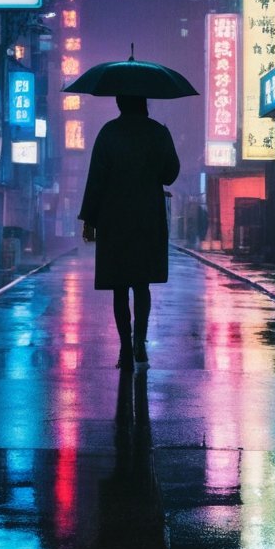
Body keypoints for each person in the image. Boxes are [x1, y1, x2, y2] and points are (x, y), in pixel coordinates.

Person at [79, 93, 180, 366]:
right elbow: (170, 174)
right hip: (148, 216)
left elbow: (96, 179)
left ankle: (124, 347)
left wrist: (89, 218)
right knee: (142, 283)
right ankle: (140, 342)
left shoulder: (108, 133)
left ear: (119, 103)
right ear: (144, 102)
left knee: (120, 285)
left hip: (115, 218)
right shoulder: (158, 133)